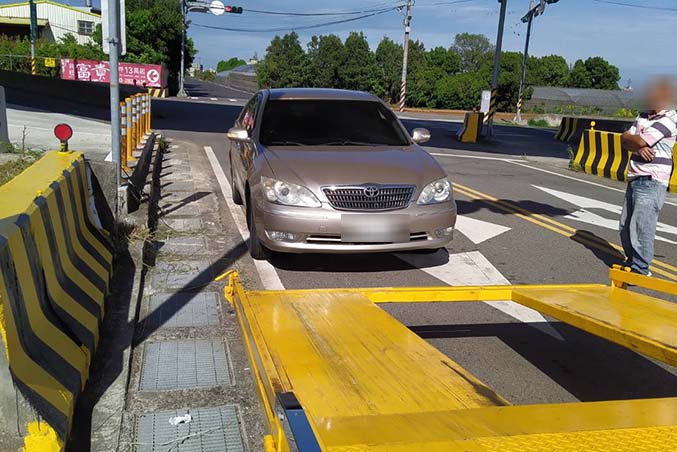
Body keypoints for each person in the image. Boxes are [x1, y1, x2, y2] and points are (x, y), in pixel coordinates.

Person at [620, 78, 677, 275]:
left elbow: (638, 139)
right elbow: (624, 139)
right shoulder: (643, 115)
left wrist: (635, 141)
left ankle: (641, 268)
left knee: (642, 225)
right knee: (625, 225)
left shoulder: (670, 118)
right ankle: (631, 261)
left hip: (652, 179)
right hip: (634, 175)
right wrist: (635, 143)